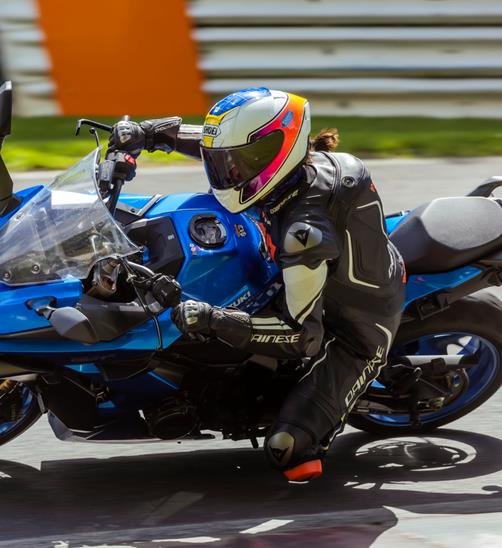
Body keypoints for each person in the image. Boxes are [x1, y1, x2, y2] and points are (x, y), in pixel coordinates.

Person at [108, 88, 406, 481]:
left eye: (237, 162)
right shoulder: (287, 169)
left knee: (287, 452)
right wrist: (151, 134)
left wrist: (214, 320)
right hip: (298, 274)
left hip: (352, 329)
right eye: (223, 161)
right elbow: (223, 149)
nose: (226, 171)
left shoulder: (304, 234)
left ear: (278, 151)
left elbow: (303, 337)